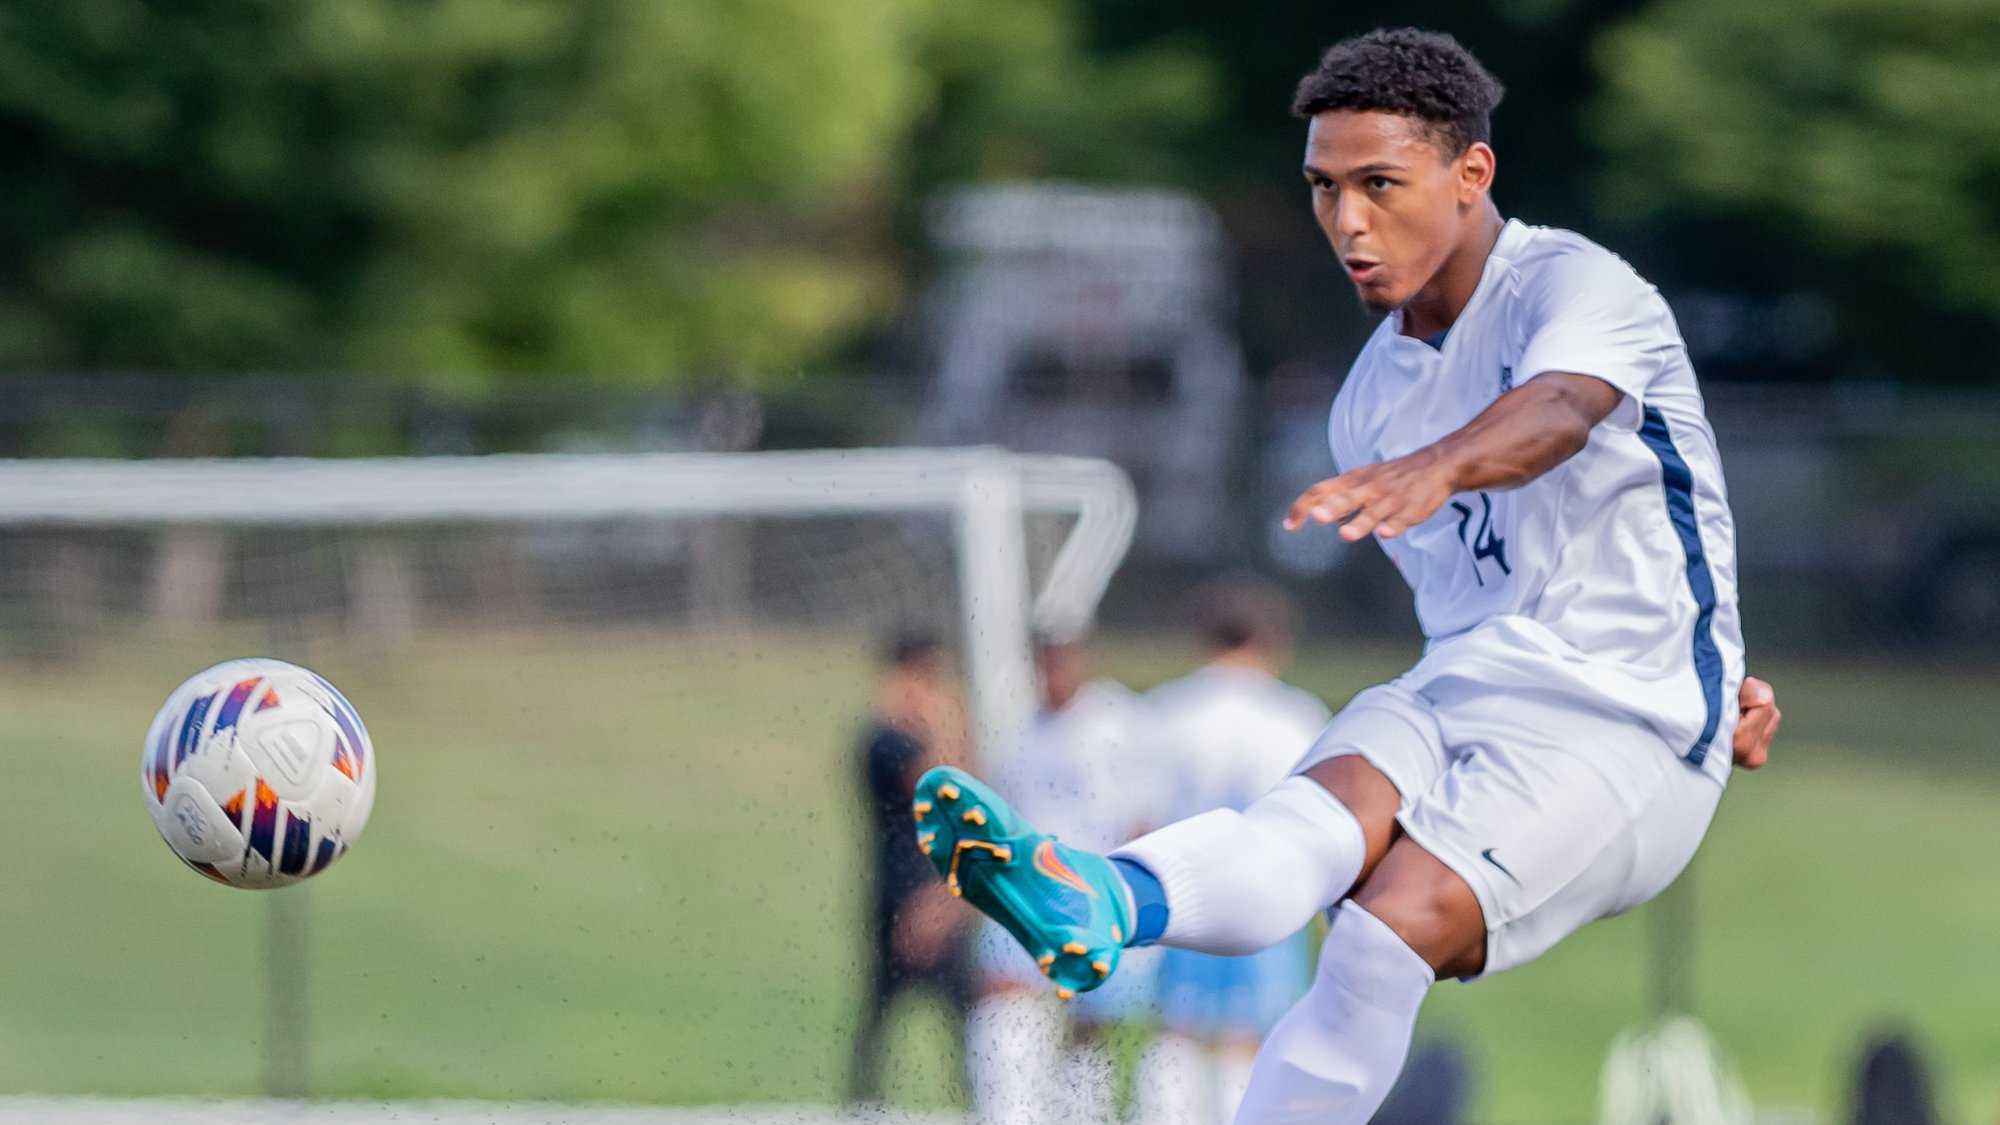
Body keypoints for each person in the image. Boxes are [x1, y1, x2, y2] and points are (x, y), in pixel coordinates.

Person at [911, 28, 1785, 1124]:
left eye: (1380, 185)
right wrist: (1421, 467)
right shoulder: (1367, 401)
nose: (1347, 224)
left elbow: (1562, 409)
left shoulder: (1578, 286)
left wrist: (1441, 469)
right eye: (1324, 190)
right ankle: (1101, 895)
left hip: (1628, 722)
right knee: (1308, 830)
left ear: (1472, 174)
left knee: (1380, 929)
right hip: (1468, 681)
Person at [1140, 582, 1330, 1125]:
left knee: (1175, 1034)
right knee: (1243, 1042)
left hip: (1178, 890)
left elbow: (1139, 817)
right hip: (1267, 897)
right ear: (1273, 640)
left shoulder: (1164, 712)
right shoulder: (1296, 716)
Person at [964, 635, 1165, 1125]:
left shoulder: (1120, 724)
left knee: (1088, 1032)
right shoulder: (1021, 731)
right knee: (1003, 1008)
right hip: (1027, 895)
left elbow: (1144, 817)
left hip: (1093, 896)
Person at [849, 631, 973, 1108]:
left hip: (939, 892)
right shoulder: (884, 740)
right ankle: (862, 1109)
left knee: (964, 1022)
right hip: (901, 894)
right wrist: (945, 723)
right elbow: (948, 790)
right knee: (879, 1021)